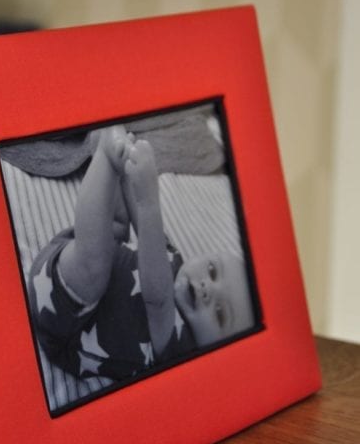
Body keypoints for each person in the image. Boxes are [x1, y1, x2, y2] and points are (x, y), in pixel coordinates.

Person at [27, 124, 254, 381]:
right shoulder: (176, 264)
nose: (207, 289)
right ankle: (111, 159)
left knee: (96, 267)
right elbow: (145, 228)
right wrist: (128, 171)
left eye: (220, 313)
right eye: (213, 271)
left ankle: (103, 155)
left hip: (66, 323)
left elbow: (157, 299)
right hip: (71, 265)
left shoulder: (180, 350)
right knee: (118, 227)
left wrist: (148, 198)